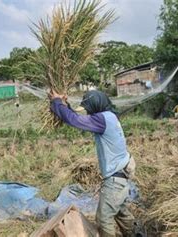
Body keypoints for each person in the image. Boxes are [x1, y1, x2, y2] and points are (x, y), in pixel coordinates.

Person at [49, 90, 135, 237]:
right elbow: (77, 117)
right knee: (121, 212)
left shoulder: (102, 120)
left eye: (89, 108)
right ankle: (137, 234)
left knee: (103, 218)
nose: (88, 111)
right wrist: (65, 105)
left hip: (115, 179)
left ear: (96, 105)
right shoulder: (110, 117)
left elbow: (75, 120)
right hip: (121, 174)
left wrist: (56, 102)